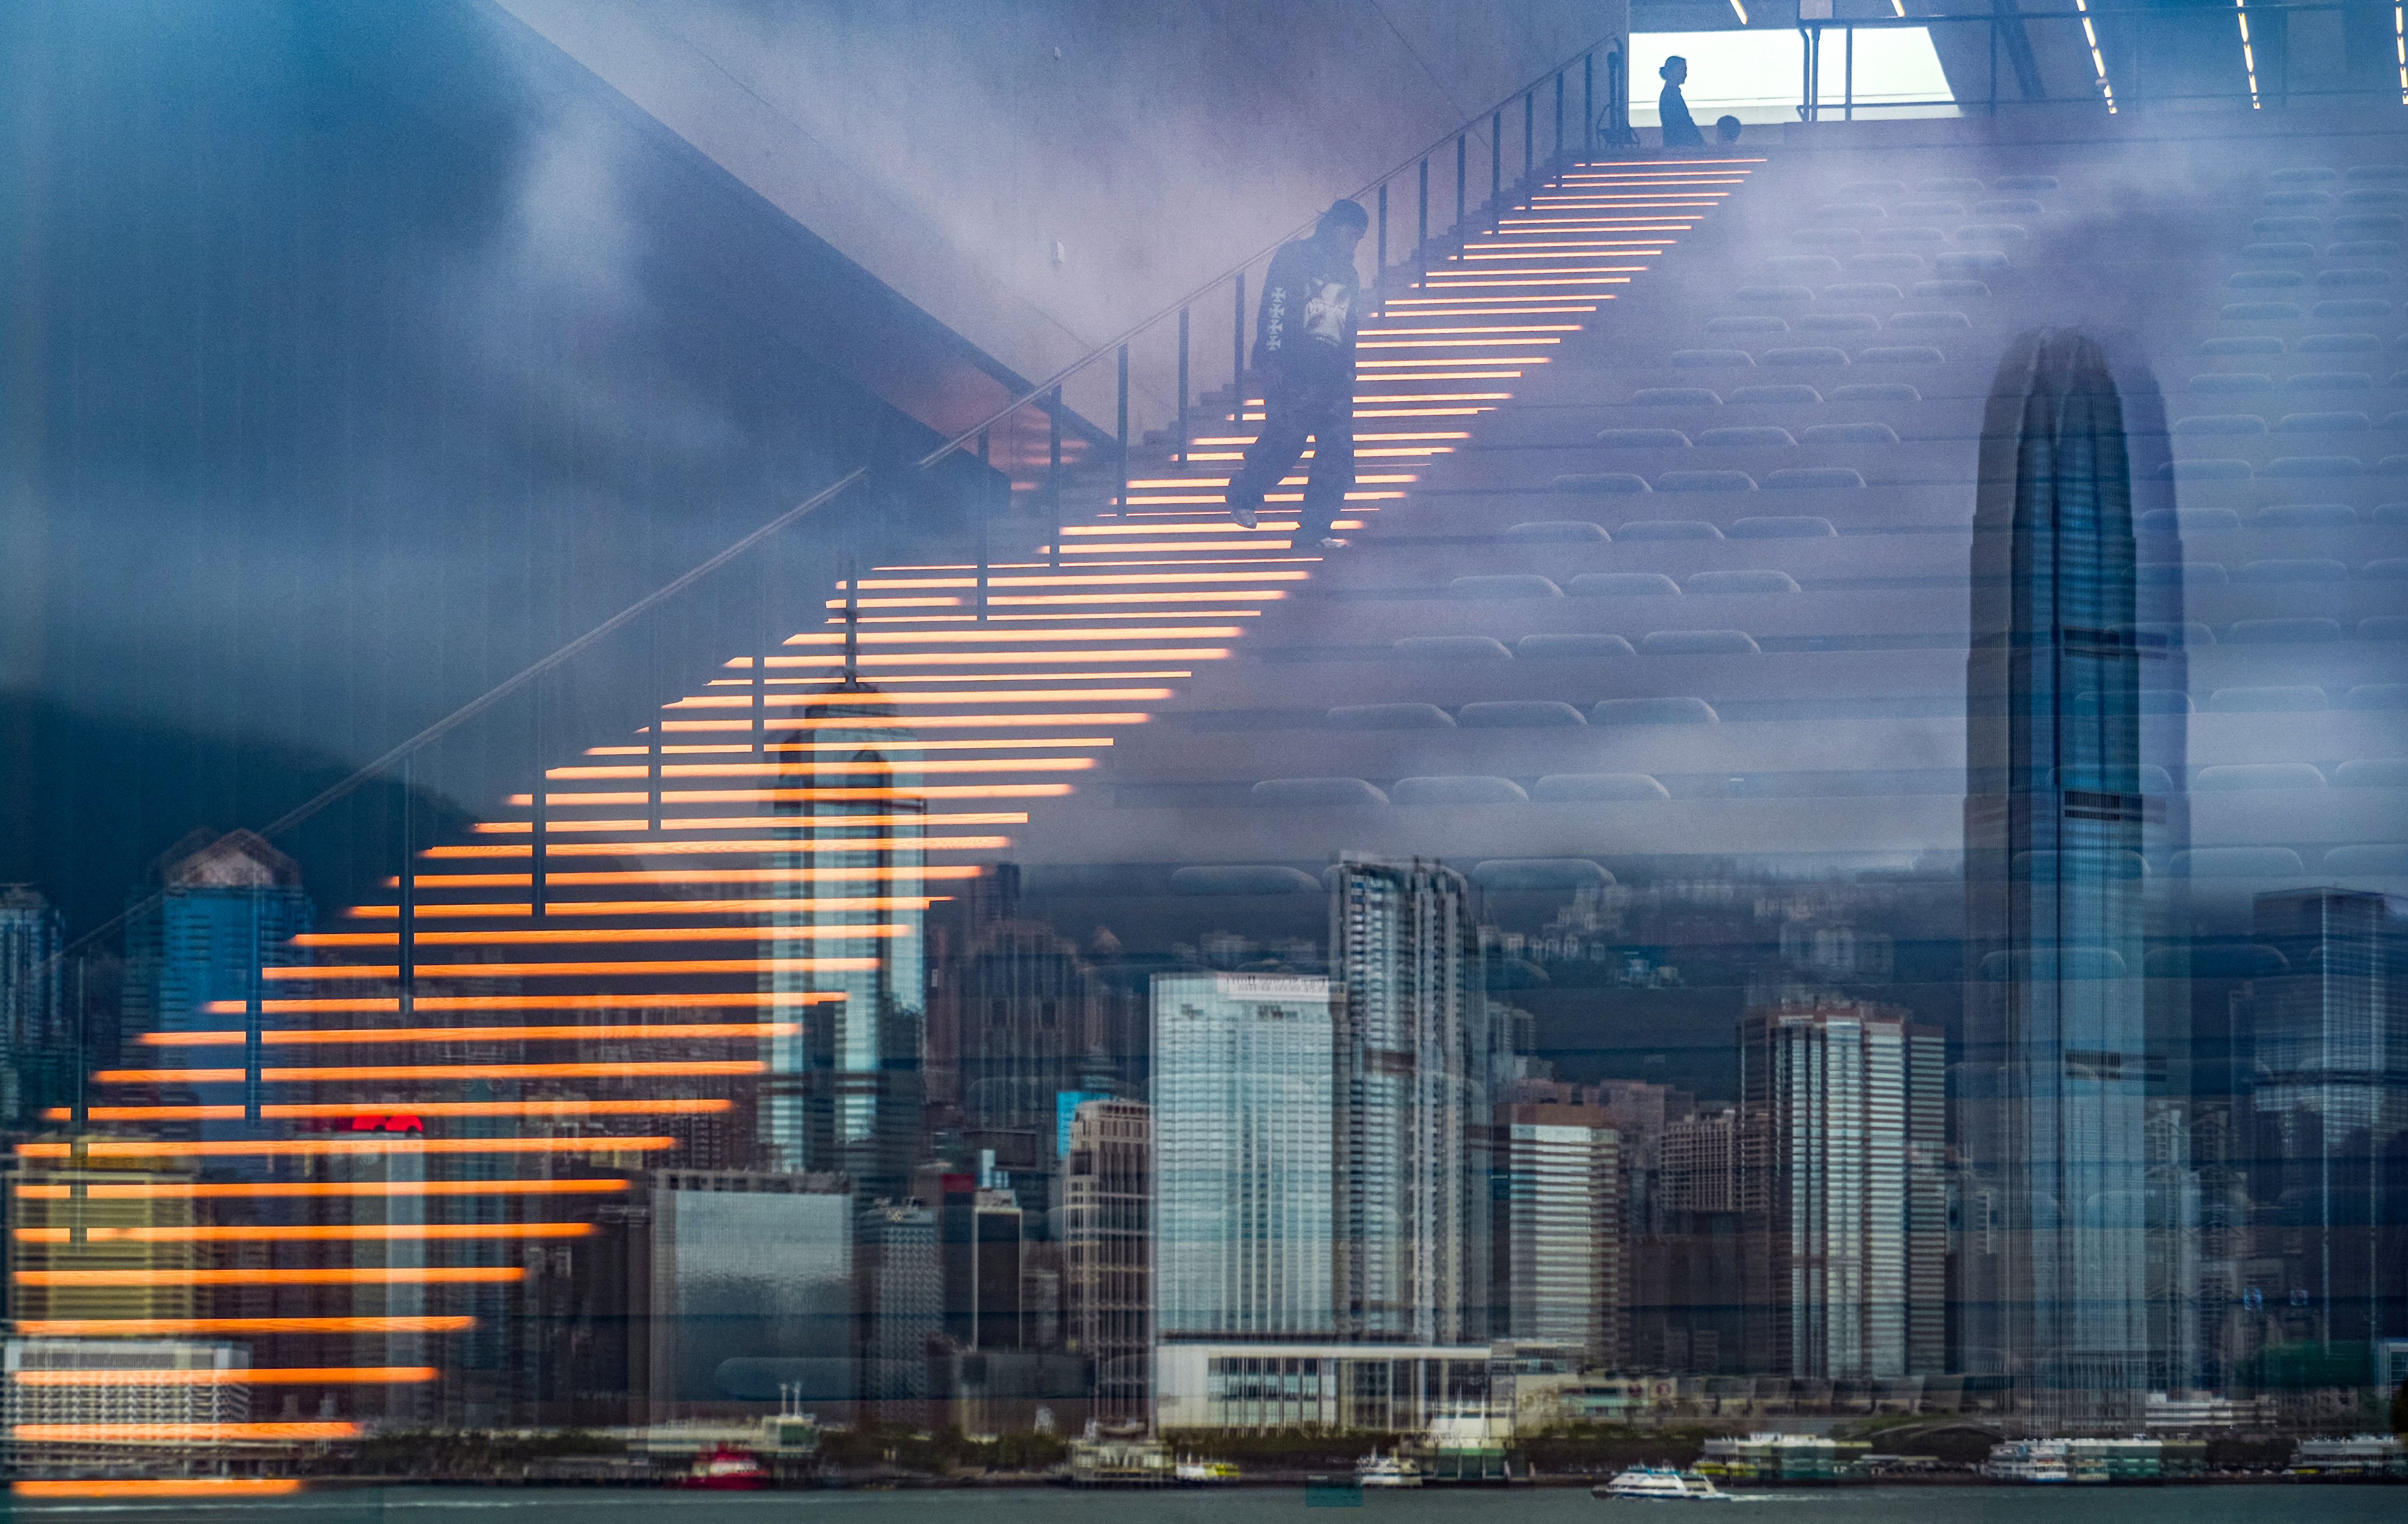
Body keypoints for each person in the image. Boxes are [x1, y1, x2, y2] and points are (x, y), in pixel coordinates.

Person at [1225, 198, 1368, 549]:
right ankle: (1245, 494)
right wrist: (1270, 358)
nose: (1353, 245)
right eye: (1350, 235)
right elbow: (1273, 306)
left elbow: (1350, 325)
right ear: (1334, 228)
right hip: (1292, 370)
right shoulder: (1294, 258)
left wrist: (1350, 368)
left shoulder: (1350, 275)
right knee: (1286, 441)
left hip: (1333, 377)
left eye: (1358, 239)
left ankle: (1314, 531)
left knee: (1337, 455)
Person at [1658, 56, 1704, 150]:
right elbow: (1682, 123)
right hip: (1680, 147)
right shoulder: (1670, 95)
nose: (1685, 74)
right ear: (1672, 72)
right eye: (1682, 70)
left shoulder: (1671, 93)